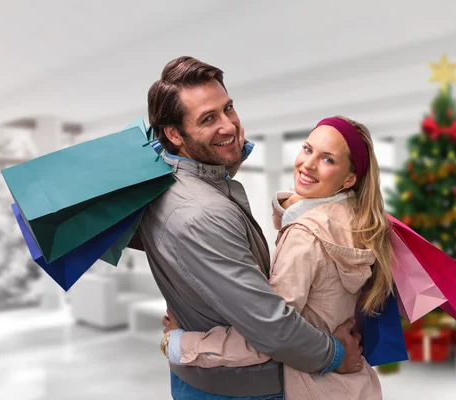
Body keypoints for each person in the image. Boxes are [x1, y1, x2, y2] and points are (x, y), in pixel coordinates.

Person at [137, 57, 364, 400]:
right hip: (240, 387)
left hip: (202, 377)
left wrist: (228, 155)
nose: (229, 125)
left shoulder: (158, 179)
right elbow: (273, 329)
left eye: (228, 108)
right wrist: (335, 355)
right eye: (208, 119)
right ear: (173, 134)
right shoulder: (203, 214)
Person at [163, 115, 394, 399]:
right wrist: (288, 204)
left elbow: (271, 334)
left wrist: (182, 345)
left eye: (328, 160)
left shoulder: (305, 236)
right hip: (353, 387)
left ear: (349, 179)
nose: (308, 164)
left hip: (313, 388)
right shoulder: (358, 221)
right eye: (308, 149)